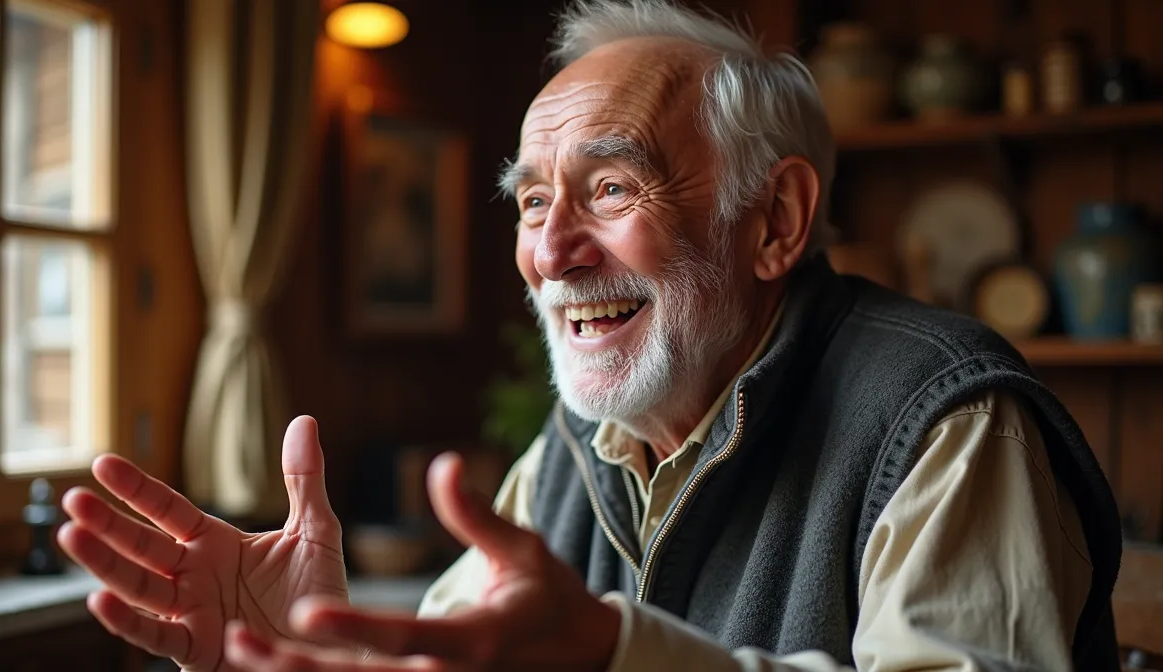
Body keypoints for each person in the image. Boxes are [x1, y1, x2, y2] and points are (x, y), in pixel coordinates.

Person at [59, 1, 1122, 670]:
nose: (550, 252)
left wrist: (613, 655)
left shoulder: (946, 422)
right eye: (530, 203)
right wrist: (313, 643)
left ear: (776, 222)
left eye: (611, 188)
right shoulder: (575, 446)